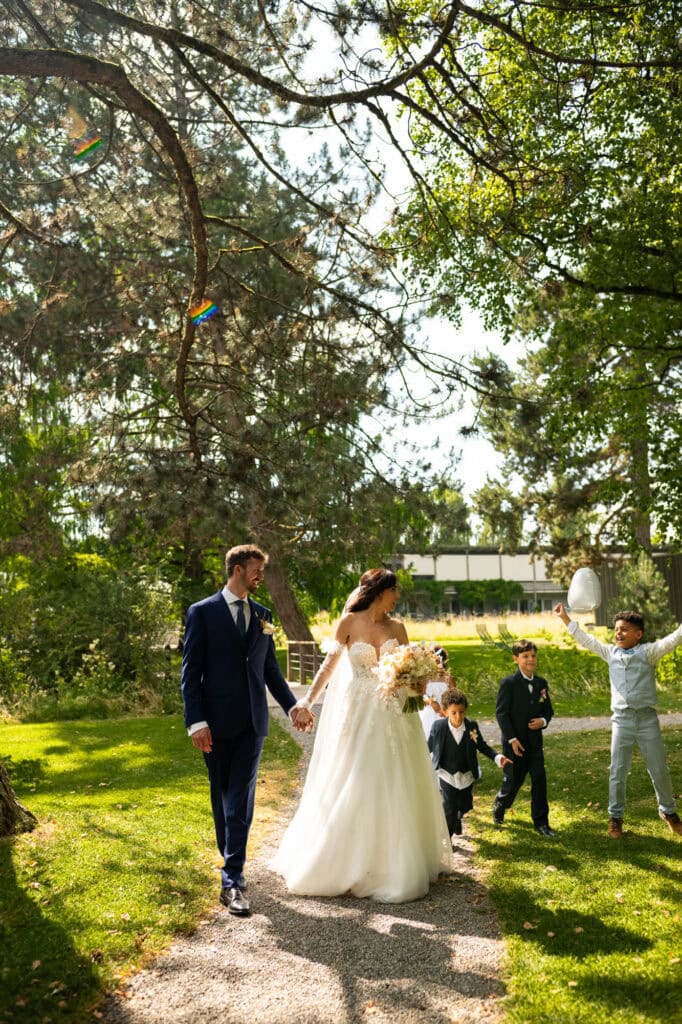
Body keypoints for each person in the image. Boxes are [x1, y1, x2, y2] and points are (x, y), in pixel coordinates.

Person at [271, 568, 452, 902]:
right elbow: (329, 666)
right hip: (358, 712)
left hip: (394, 713)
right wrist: (307, 700)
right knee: (356, 775)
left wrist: (418, 681)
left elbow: (412, 675)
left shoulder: (398, 628)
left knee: (395, 777)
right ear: (381, 591)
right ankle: (345, 858)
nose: (398, 597)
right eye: (395, 590)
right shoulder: (349, 623)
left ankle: (394, 862)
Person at [181, 544, 312, 917]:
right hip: (214, 725)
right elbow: (190, 674)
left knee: (239, 797)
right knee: (224, 796)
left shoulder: (263, 616)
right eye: (255, 571)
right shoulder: (202, 613)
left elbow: (269, 670)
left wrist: (292, 706)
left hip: (253, 723)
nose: (260, 578)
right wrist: (197, 722)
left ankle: (233, 881)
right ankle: (231, 862)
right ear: (237, 570)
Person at [554, 603, 682, 839]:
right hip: (621, 720)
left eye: (624, 629)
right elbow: (586, 640)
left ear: (638, 634)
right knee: (618, 771)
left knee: (659, 769)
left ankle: (669, 812)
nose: (618, 633)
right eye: (616, 629)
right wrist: (565, 618)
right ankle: (615, 818)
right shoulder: (610, 653)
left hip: (646, 720)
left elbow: (674, 639)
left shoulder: (649, 653)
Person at [428, 687, 511, 842]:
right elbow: (429, 746)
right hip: (447, 774)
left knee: (464, 805)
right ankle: (448, 839)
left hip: (466, 774)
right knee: (449, 808)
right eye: (454, 712)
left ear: (465, 710)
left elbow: (482, 746)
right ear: (445, 711)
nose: (458, 716)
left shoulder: (471, 726)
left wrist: (498, 757)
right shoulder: (438, 727)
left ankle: (459, 817)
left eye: (461, 712)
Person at [492, 639, 556, 837]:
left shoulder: (541, 684)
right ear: (516, 659)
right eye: (525, 656)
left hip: (534, 743)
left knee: (539, 780)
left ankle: (541, 822)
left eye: (533, 656)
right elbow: (501, 714)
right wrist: (511, 739)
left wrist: (543, 722)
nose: (530, 659)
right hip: (515, 744)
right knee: (514, 781)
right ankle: (501, 803)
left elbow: (548, 710)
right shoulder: (509, 684)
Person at [418, 646, 449, 739]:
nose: (437, 664)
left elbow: (454, 697)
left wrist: (445, 709)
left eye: (439, 661)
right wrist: (431, 702)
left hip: (444, 712)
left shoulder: (448, 678)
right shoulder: (424, 678)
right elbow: (419, 697)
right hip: (428, 712)